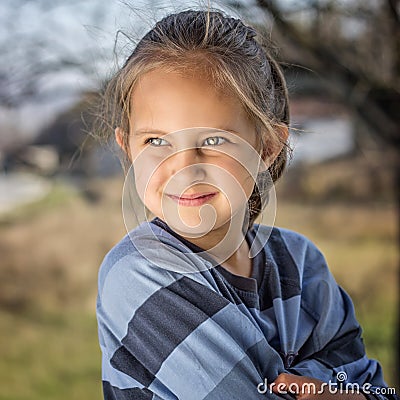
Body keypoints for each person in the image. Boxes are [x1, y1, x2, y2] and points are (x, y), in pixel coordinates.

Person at [95, 9, 398, 400]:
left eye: (215, 140)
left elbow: (371, 387)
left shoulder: (302, 263)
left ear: (267, 147)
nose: (184, 169)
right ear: (128, 147)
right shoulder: (139, 273)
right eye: (156, 142)